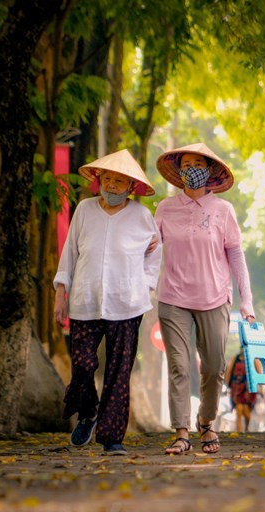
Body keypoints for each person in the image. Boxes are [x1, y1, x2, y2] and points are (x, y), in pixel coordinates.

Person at [53, 149, 161, 456]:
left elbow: (155, 253)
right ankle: (88, 412)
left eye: (120, 182)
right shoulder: (85, 210)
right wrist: (60, 291)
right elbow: (70, 253)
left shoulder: (142, 216)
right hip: (85, 300)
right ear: (99, 180)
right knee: (83, 366)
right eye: (108, 179)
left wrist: (146, 285)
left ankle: (112, 437)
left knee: (118, 371)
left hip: (127, 304)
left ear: (131, 187)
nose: (112, 186)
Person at [154, 143, 256, 455]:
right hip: (173, 299)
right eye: (186, 163)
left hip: (215, 298)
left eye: (199, 163)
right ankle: (181, 432)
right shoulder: (164, 209)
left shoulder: (223, 211)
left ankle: (206, 421)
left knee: (213, 367)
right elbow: (149, 253)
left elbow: (236, 257)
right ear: (179, 170)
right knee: (180, 366)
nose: (192, 168)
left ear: (210, 170)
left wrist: (246, 301)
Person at [226, 348, 258, 432]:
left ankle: (247, 427)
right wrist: (228, 384)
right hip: (236, 387)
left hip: (248, 389)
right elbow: (229, 372)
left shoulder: (253, 359)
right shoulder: (235, 359)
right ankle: (239, 431)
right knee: (239, 409)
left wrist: (259, 388)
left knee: (247, 413)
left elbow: (258, 373)